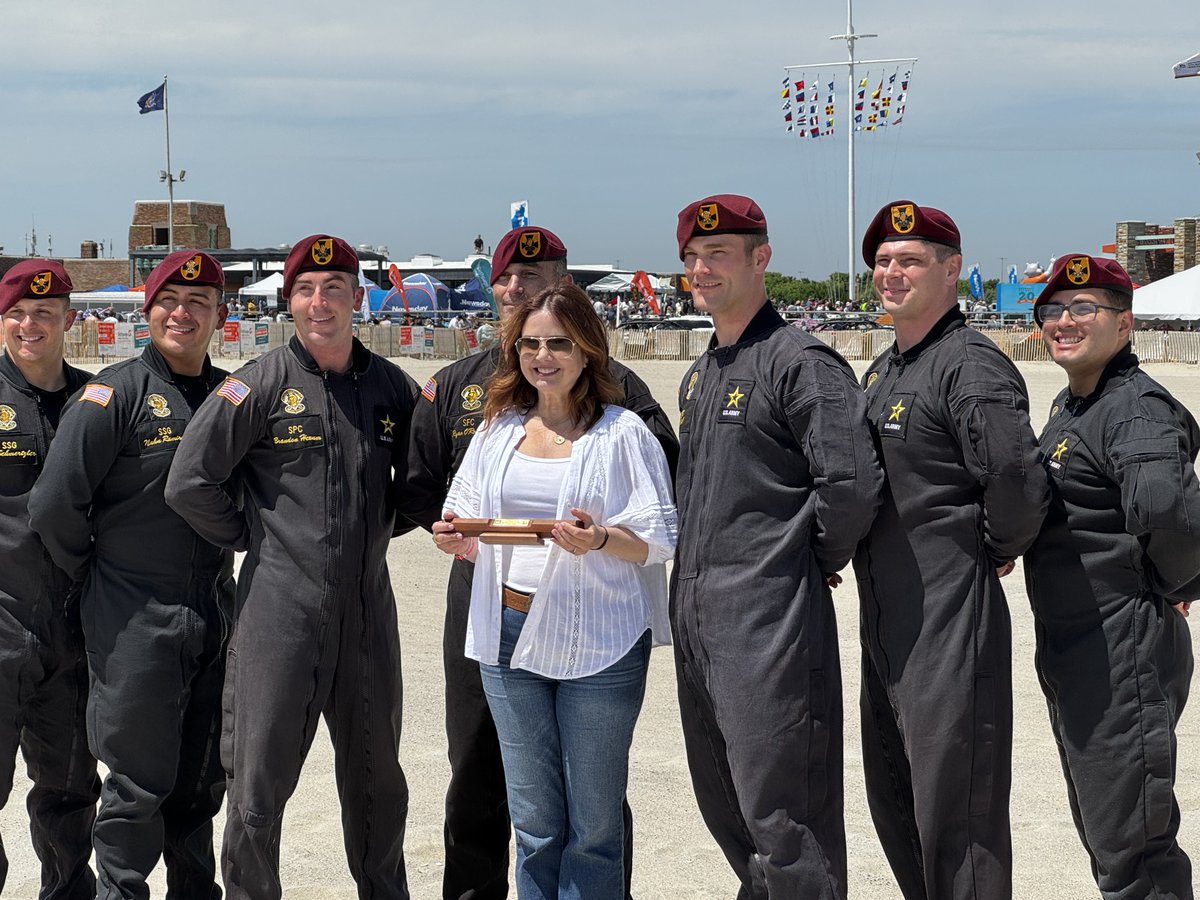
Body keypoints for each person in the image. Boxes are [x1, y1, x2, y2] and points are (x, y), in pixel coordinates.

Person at [403, 224, 678, 900]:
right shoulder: (480, 405)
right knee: (496, 790)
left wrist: (604, 536)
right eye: (531, 341)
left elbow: (662, 511)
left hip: (597, 627)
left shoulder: (623, 413)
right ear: (496, 292)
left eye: (558, 341)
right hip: (495, 614)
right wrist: (456, 535)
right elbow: (429, 488)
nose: (543, 354)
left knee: (591, 814)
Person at [164, 234, 418, 900]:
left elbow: (426, 477)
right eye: (305, 290)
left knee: (378, 783)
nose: (319, 302)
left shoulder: (392, 389)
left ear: (357, 299)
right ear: (289, 303)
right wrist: (252, 534)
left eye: (334, 289)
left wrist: (400, 519)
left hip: (368, 617)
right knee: (256, 786)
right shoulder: (260, 383)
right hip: (280, 614)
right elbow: (190, 480)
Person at [671, 194, 883, 899]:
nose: (702, 269)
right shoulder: (704, 373)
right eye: (693, 258)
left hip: (769, 627)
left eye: (719, 254)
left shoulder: (800, 364)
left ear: (762, 259)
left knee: (786, 818)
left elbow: (849, 485)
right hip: (701, 625)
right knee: (730, 811)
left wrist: (804, 561)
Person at [853, 200, 1049, 900]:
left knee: (956, 821)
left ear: (952, 269)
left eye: (909, 260)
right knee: (898, 805)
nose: (891, 273)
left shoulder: (968, 367)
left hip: (947, 620)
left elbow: (1019, 480)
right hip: (887, 624)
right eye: (882, 261)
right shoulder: (886, 368)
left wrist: (990, 548)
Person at [29, 250, 234, 900]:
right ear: (148, 313)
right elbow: (55, 504)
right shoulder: (113, 395)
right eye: (170, 300)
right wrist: (100, 581)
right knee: (137, 791)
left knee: (200, 789)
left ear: (221, 317)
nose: (184, 312)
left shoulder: (234, 396)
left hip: (214, 621)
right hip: (135, 623)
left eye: (200, 302)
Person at [1025, 254, 1198, 898]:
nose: (1064, 322)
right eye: (1052, 311)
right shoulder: (1077, 406)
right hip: (1079, 645)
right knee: (1109, 829)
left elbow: (1168, 510)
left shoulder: (1134, 409)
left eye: (1084, 309)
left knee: (1135, 845)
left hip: (1120, 647)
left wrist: (1175, 587)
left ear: (1124, 324)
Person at [0, 260, 99, 900]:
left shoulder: (98, 403)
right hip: (0, 626)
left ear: (68, 320)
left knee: (69, 787)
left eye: (43, 313)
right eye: (15, 313)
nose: (29, 324)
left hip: (75, 632)